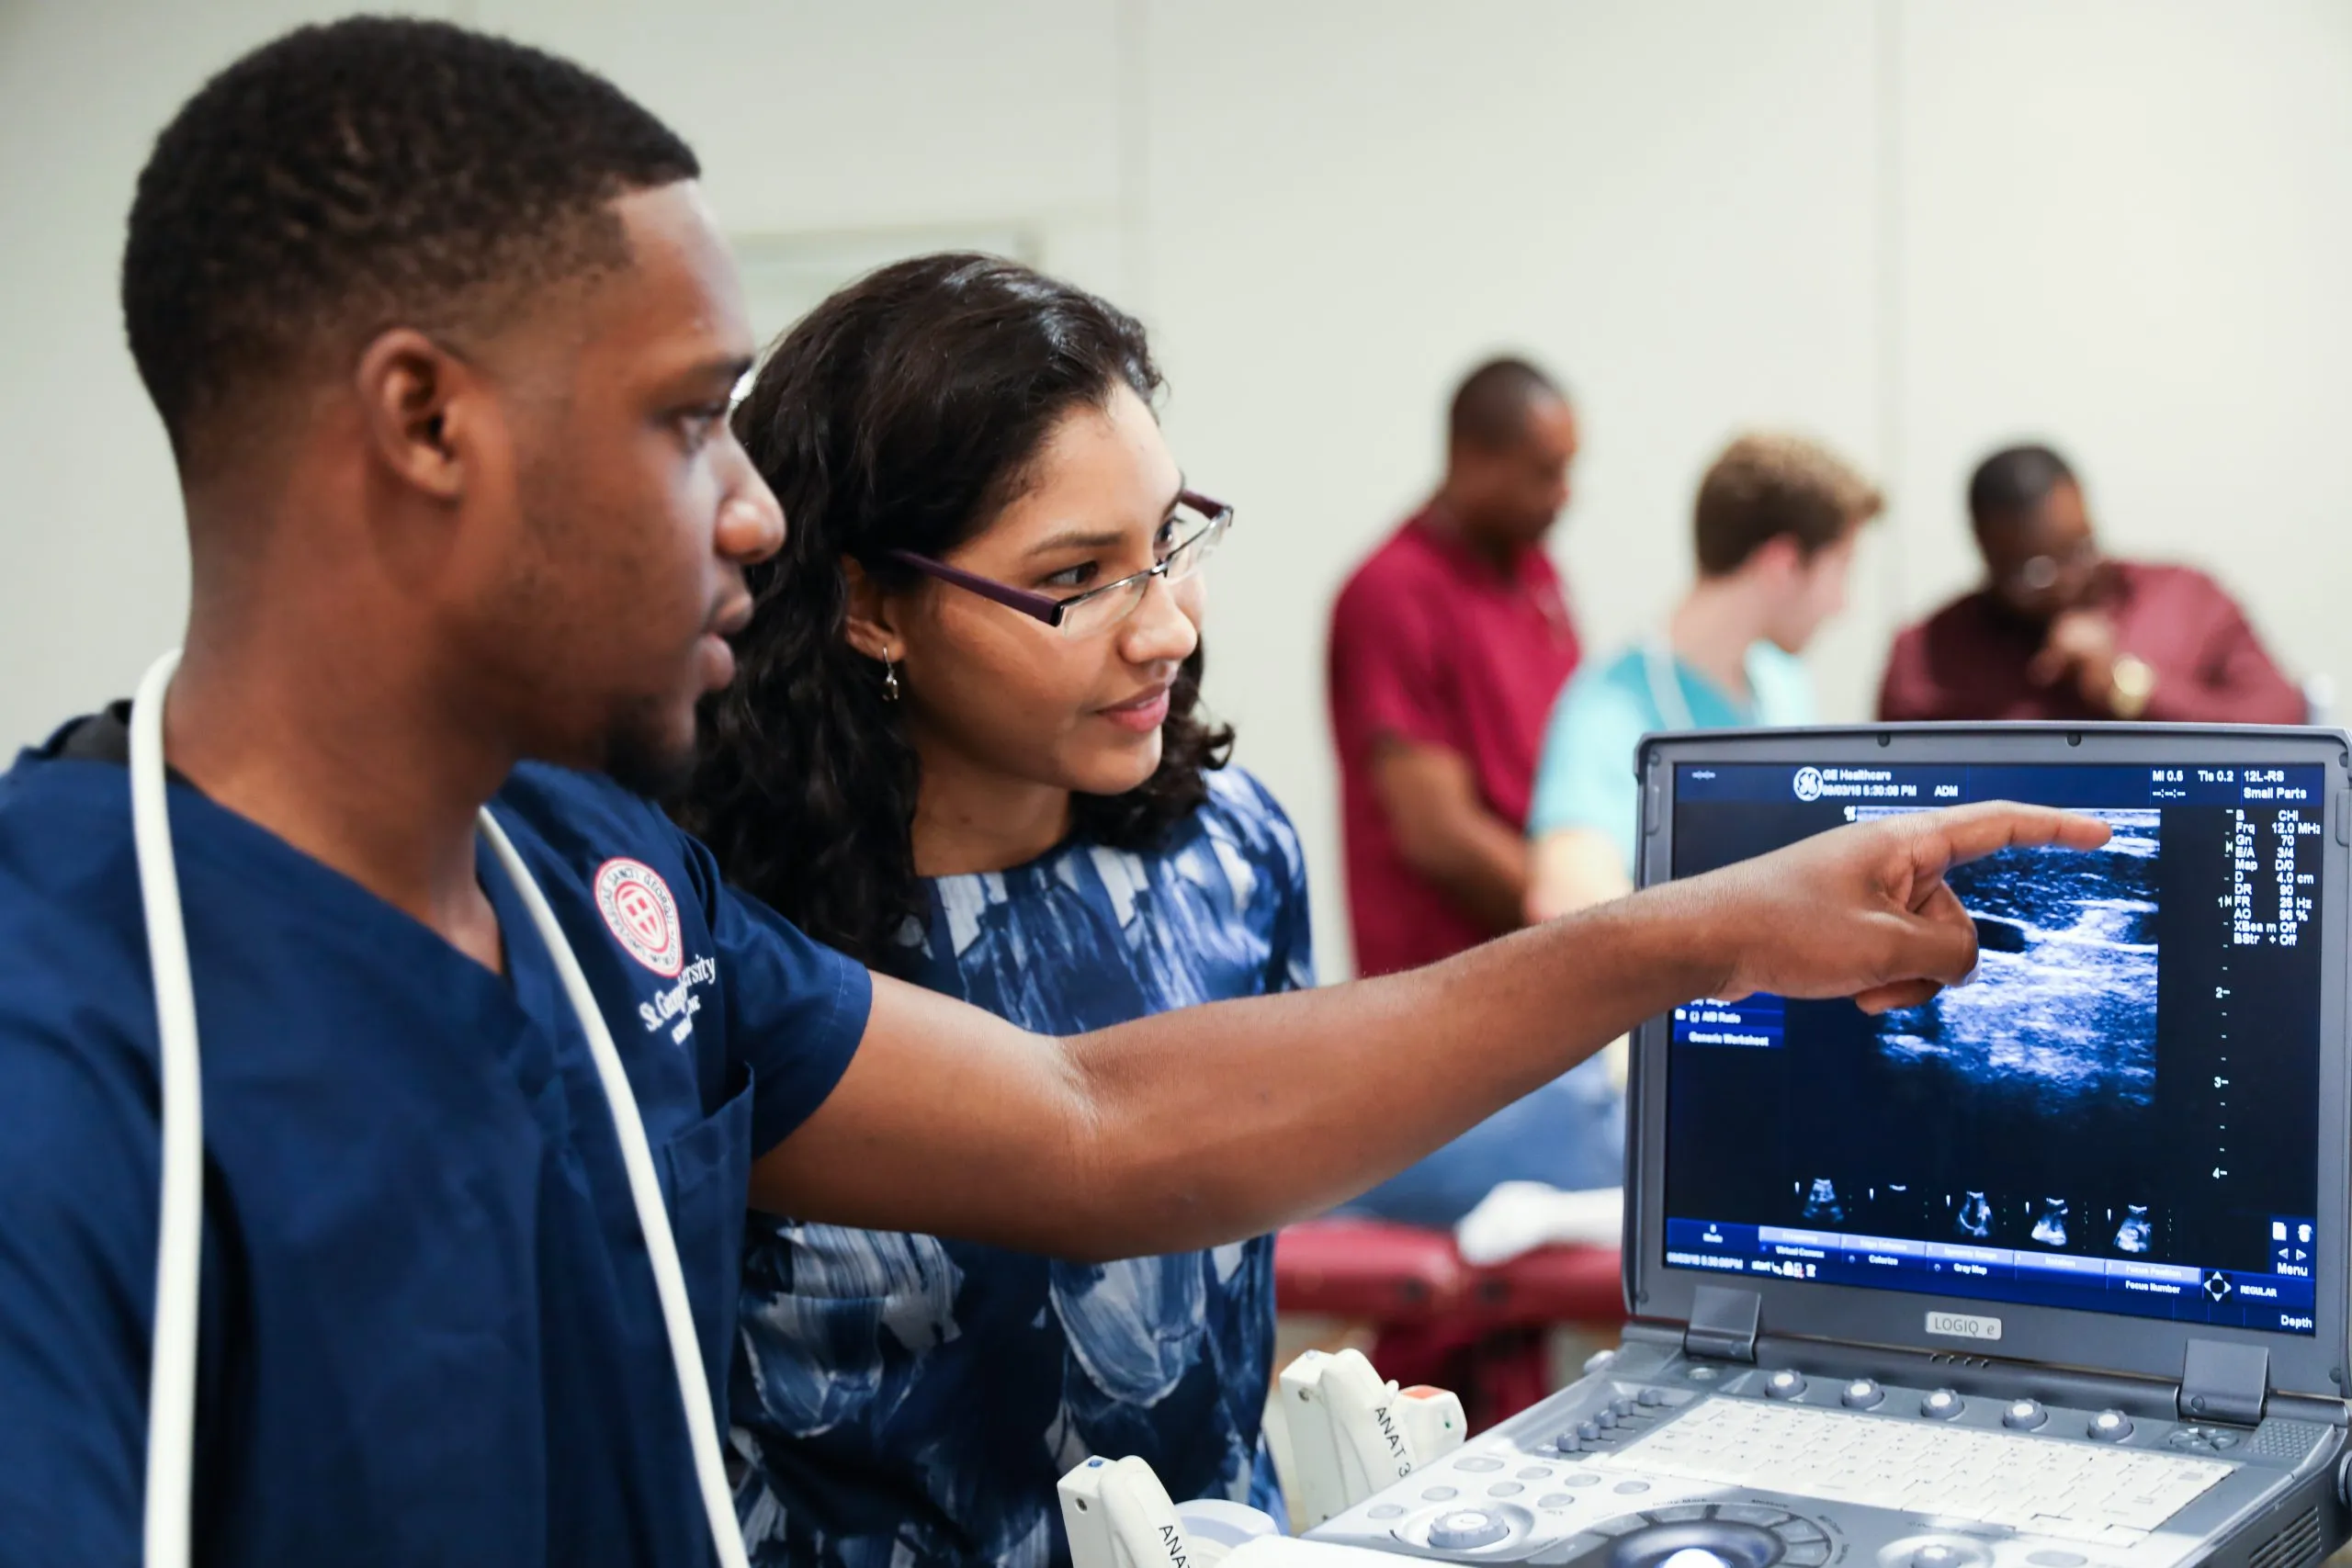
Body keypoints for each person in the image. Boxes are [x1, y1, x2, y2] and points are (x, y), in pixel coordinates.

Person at [0, 18, 2104, 1565]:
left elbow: (1104, 1124)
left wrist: (1712, 925)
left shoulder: (595, 894)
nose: (747, 517)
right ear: (422, 422)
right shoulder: (68, 1002)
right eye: (676, 424)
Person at [677, 256, 1306, 1565]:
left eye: (1170, 541)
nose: (1169, 629)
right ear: (870, 604)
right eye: (1080, 577)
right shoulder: (717, 933)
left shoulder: (1230, 853)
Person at [1528, 434, 1882, 920]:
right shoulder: (1603, 710)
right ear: (1783, 563)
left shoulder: (1783, 683)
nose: (1844, 604)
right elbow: (1564, 901)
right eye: (1841, 568)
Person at [1327, 358, 1582, 982]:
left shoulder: (1535, 575)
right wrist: (1591, 920)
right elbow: (1438, 833)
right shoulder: (1390, 592)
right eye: (1544, 472)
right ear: (1471, 458)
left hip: (1548, 962)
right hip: (1443, 986)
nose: (1564, 494)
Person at [1878, 444, 2302, 725]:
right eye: (2036, 571)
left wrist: (2128, 685)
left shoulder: (2187, 600)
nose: (2070, 581)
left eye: (2081, 549)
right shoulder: (1929, 654)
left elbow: (2285, 721)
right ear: (1985, 551)